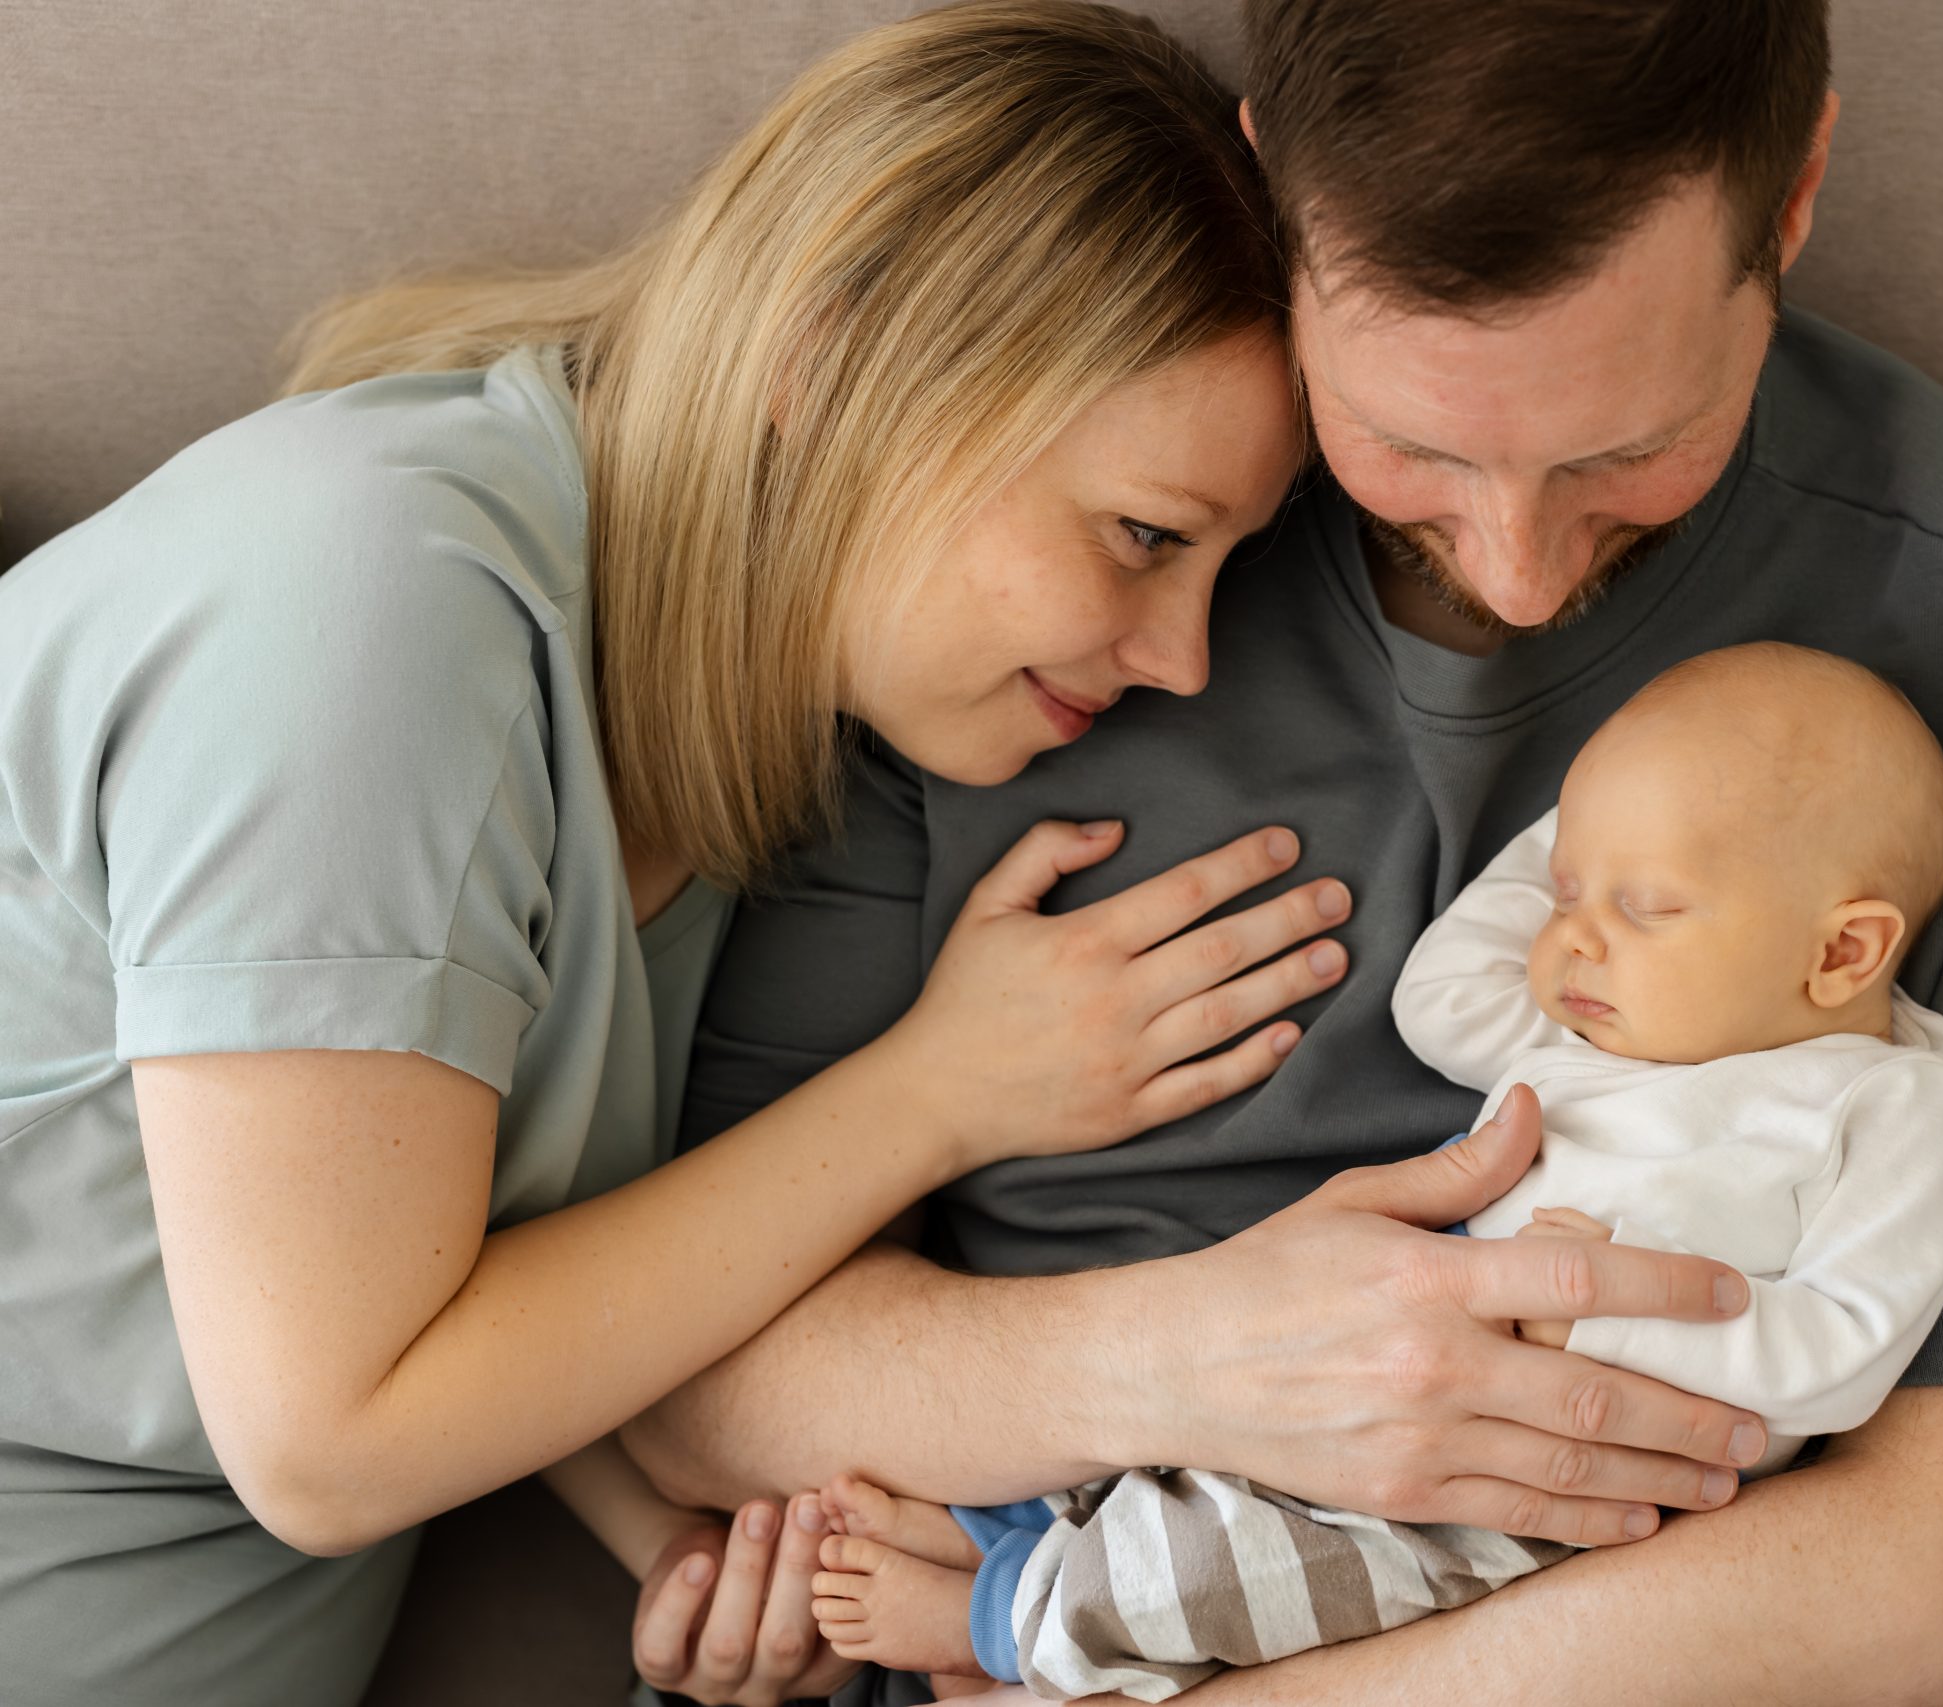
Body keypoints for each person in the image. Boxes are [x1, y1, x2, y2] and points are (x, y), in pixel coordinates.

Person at [634, 2, 1943, 1702]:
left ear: (1789, 200)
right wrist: (1198, 1361)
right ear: (1282, 194)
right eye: (1414, 448)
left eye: (1625, 451)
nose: (1514, 573)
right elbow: (682, 1370)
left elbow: (1919, 1599)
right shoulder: (1027, 556)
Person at [0, 6, 1384, 1702]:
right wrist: (935, 1092)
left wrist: (671, 1542)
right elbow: (331, 1434)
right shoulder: (369, 617)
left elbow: (441, 1242)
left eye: (1222, 569)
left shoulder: (721, 743)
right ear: (836, 361)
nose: (1184, 656)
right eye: (1144, 537)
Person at [801, 642, 1943, 1700]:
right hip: (1395, 1378)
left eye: (1645, 905)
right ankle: (1002, 1524)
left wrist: (1602, 1337)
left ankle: (998, 1619)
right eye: (1566, 893)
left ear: (1843, 948)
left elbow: (1850, 1346)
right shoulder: (1591, 1036)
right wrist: (1600, 829)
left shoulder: (1899, 1099)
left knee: (1269, 1579)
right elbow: (1441, 1003)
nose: (1576, 935)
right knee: (1225, 1446)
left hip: (1549, 1493)